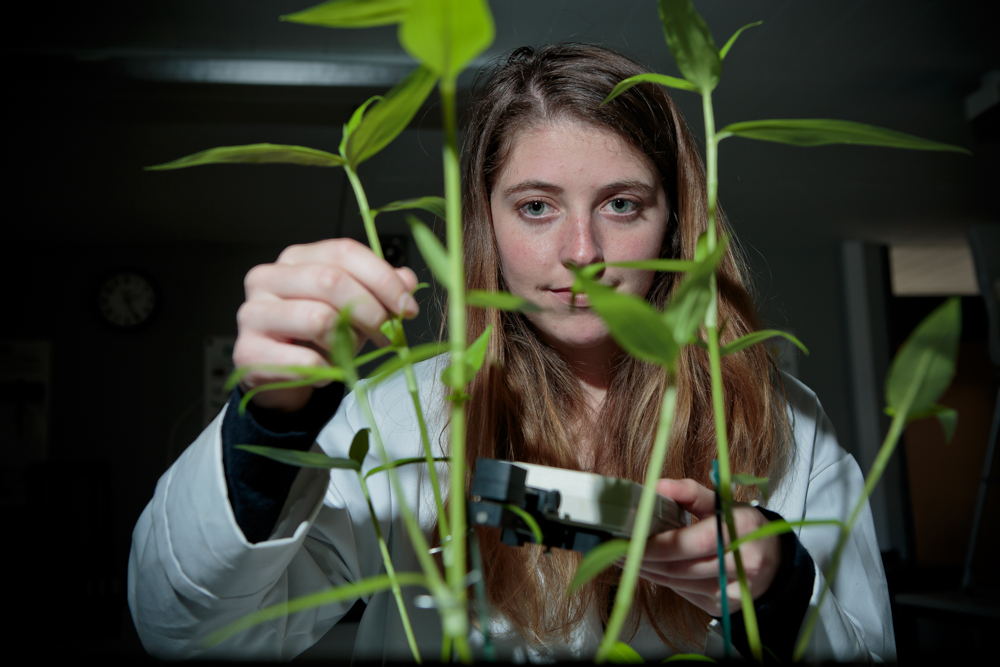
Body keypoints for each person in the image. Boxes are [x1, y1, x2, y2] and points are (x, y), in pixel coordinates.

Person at [128, 44, 895, 662]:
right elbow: (190, 631)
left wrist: (781, 586)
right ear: (486, 225)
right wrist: (267, 423)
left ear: (674, 221)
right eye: (536, 207)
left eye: (622, 204)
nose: (582, 252)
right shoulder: (402, 420)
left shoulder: (779, 425)